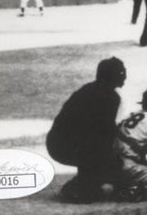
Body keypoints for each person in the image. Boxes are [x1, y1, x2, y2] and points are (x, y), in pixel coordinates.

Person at [45, 57, 127, 203]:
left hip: (58, 142)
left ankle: (85, 181)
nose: (124, 76)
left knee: (101, 154)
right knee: (110, 162)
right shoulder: (109, 97)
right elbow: (104, 133)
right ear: (111, 76)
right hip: (68, 145)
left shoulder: (90, 89)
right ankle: (81, 185)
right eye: (121, 73)